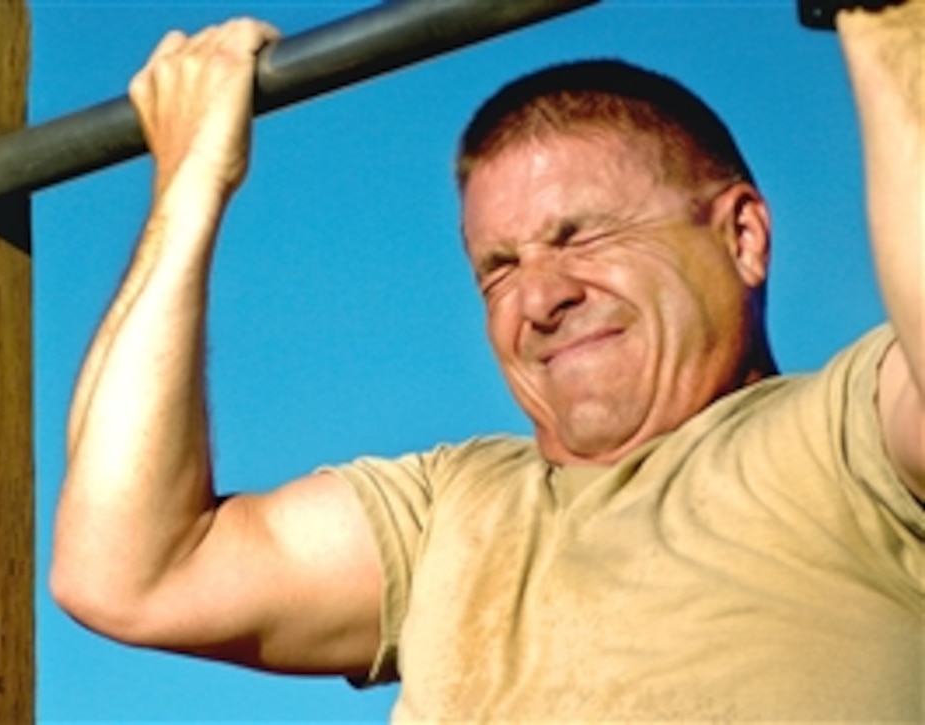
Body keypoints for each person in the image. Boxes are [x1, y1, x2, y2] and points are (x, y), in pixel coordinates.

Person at [51, 2, 923, 720]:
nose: (540, 298)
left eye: (582, 235)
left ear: (742, 235)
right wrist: (191, 181)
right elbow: (127, 570)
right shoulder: (447, 512)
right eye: (498, 268)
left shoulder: (849, 442)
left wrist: (888, 27)